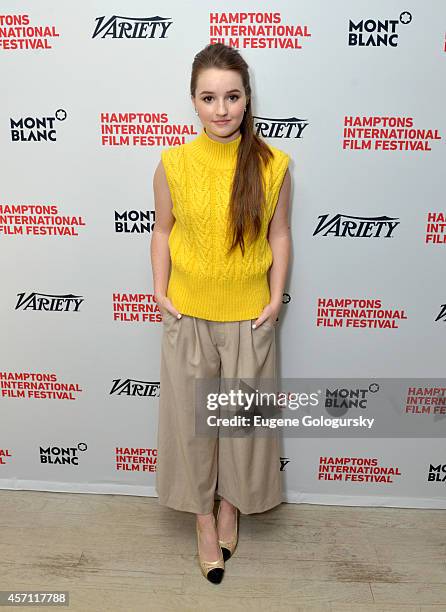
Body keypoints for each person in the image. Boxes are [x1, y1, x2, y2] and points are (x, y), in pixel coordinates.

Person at [150, 43, 291, 584]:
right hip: (187, 315)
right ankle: (204, 520)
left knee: (241, 427)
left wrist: (275, 299)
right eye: (209, 97)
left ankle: (231, 504)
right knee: (190, 425)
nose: (221, 108)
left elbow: (280, 235)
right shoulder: (173, 164)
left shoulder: (274, 164)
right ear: (193, 100)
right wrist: (160, 290)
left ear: (246, 97)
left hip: (249, 317)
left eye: (232, 96)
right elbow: (162, 230)